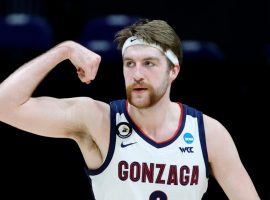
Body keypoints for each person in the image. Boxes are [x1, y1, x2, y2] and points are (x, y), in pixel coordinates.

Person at [0, 19, 260, 200]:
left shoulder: (209, 133)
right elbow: (4, 105)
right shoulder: (98, 120)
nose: (137, 74)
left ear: (173, 71)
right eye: (129, 64)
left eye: (149, 63)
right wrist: (64, 50)